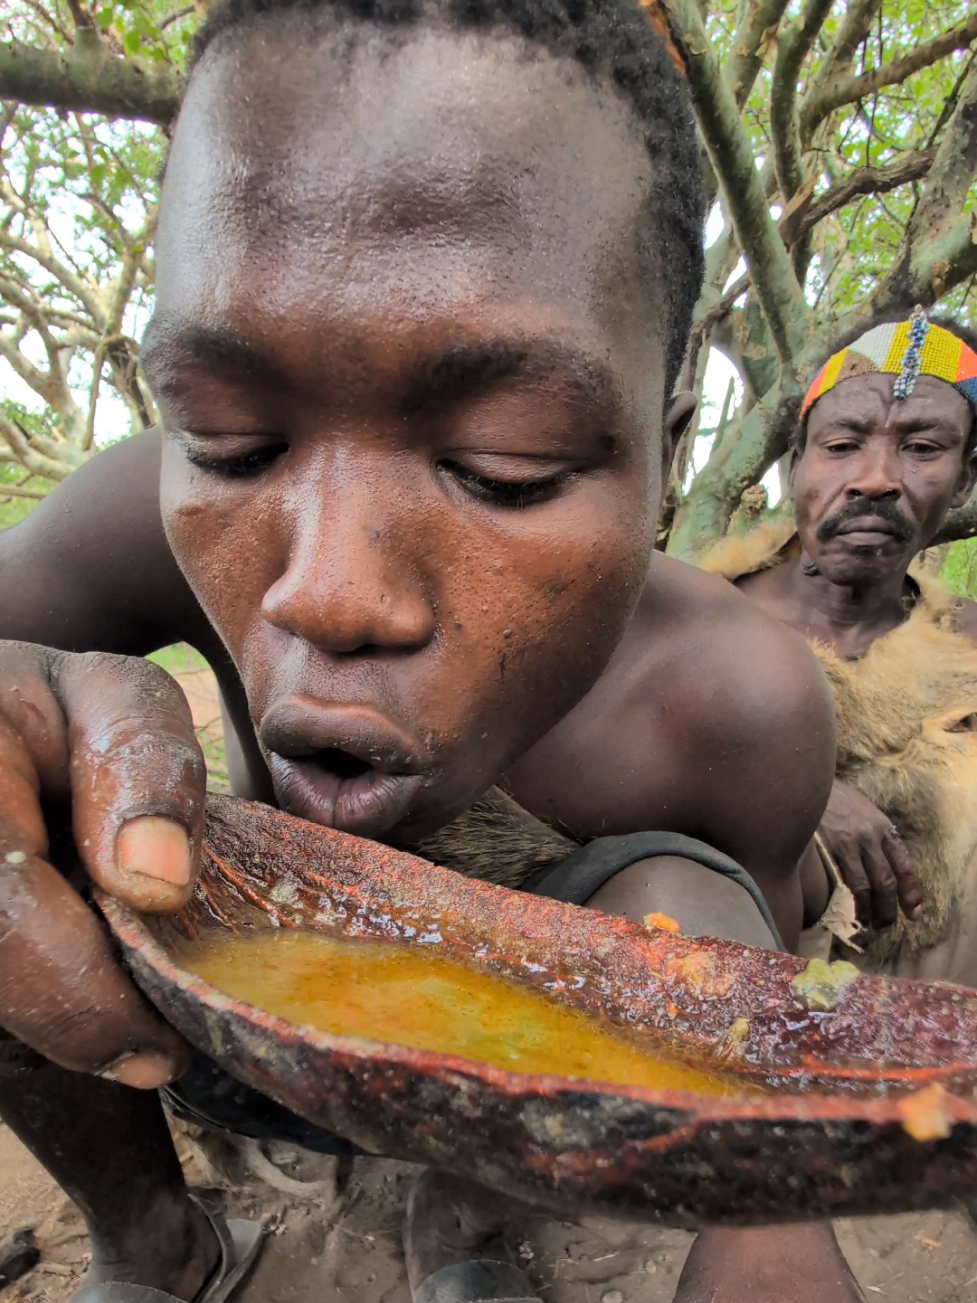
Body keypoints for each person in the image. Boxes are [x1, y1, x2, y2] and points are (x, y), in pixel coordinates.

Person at [0, 0, 860, 1299]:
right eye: (231, 442)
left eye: (501, 462)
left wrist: (766, 1176)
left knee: (690, 914)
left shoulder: (737, 706)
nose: (330, 592)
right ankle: (154, 1239)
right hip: (219, 1025)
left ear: (669, 444)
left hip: (526, 1075)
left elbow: (749, 1007)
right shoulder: (141, 519)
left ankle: (463, 1226)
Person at [710, 310, 977, 982]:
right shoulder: (696, 615)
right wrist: (795, 795)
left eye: (920, 448)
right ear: (795, 464)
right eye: (841, 445)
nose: (875, 478)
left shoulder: (965, 646)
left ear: (965, 478)